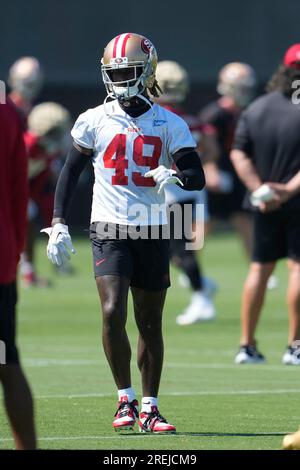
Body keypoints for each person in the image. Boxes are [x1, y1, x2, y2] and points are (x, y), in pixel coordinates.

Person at [41, 33, 205, 432]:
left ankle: (150, 407)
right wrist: (59, 221)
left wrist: (174, 177)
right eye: (114, 73)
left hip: (152, 228)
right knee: (113, 310)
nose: (119, 80)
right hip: (109, 227)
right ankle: (124, 400)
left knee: (150, 321)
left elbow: (196, 175)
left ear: (147, 71)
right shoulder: (94, 118)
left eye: (128, 72)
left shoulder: (170, 123)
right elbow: (70, 172)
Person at [231, 44, 300, 365]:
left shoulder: (257, 107)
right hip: (295, 200)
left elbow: (238, 152)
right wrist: (286, 190)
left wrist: (260, 189)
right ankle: (295, 346)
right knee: (297, 268)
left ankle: (246, 345)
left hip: (263, 204)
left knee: (259, 269)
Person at [154, 60, 217, 324]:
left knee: (180, 250)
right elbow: (213, 151)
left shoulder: (159, 118)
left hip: (174, 191)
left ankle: (201, 297)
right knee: (172, 249)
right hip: (188, 189)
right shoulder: (192, 120)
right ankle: (202, 285)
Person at [0, 97, 36, 449]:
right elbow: (19, 191)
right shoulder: (8, 110)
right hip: (1, 258)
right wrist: (15, 252)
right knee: (6, 360)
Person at [199, 62, 257, 256]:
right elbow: (205, 147)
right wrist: (210, 171)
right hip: (218, 173)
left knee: (244, 219)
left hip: (236, 173)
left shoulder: (246, 113)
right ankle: (189, 265)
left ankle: (257, 263)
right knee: (205, 221)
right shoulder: (214, 114)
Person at [21, 102, 71, 286]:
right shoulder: (27, 145)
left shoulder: (50, 150)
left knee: (49, 217)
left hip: (28, 192)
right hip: (11, 191)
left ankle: (33, 269)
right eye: (53, 132)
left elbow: (47, 177)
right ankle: (27, 270)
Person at [8, 56, 44, 125]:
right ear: (12, 80)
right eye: (25, 81)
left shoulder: (38, 116)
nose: (29, 88)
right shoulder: (3, 111)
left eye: (33, 84)